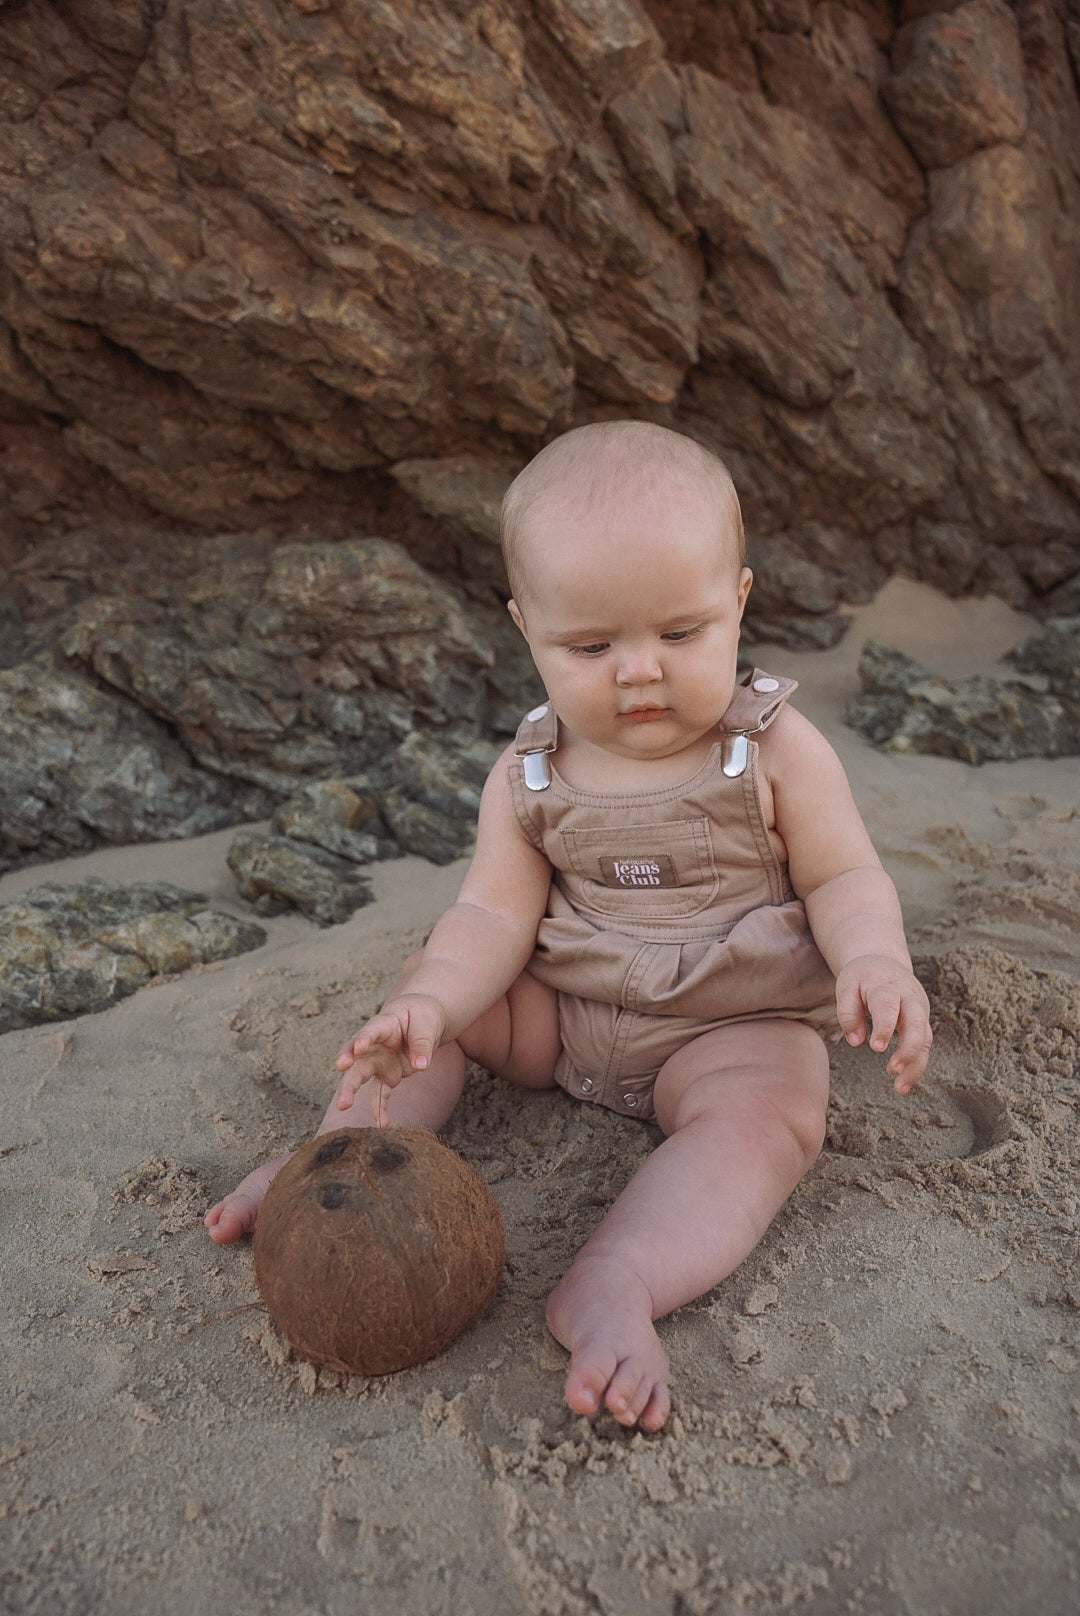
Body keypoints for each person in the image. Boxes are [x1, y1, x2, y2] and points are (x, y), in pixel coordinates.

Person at [206, 420, 932, 1433]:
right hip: (566, 1017)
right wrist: (432, 999)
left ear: (739, 601)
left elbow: (847, 871)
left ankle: (618, 1276)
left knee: (774, 1111)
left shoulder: (773, 749)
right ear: (527, 629)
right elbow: (491, 913)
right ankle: (331, 1158)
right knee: (434, 1005)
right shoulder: (529, 772)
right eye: (590, 646)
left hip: (726, 1027)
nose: (639, 670)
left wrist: (874, 958)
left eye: (680, 633)